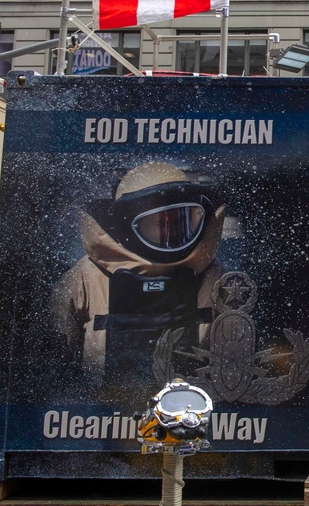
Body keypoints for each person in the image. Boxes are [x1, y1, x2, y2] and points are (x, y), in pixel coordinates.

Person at [52, 161, 226, 386]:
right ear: (126, 226)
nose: (171, 231)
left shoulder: (216, 280)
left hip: (190, 415)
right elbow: (50, 365)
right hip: (101, 417)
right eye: (159, 222)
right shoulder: (86, 278)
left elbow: (235, 362)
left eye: (183, 220)